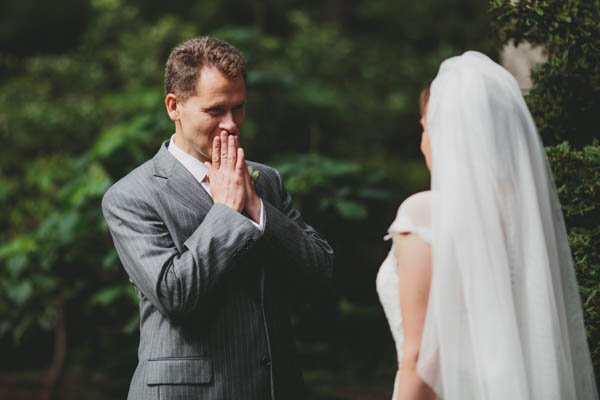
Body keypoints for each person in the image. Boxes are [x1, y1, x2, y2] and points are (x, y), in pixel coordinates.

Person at [101, 37, 334, 400]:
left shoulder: (266, 180)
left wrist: (257, 209)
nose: (231, 125)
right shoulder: (131, 196)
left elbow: (320, 270)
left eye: (238, 108)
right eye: (215, 111)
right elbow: (174, 294)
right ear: (173, 107)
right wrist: (227, 212)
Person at [376, 51, 598, 400]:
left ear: (443, 133)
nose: (422, 144)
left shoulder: (423, 213)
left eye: (424, 129)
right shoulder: (526, 224)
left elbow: (420, 361)